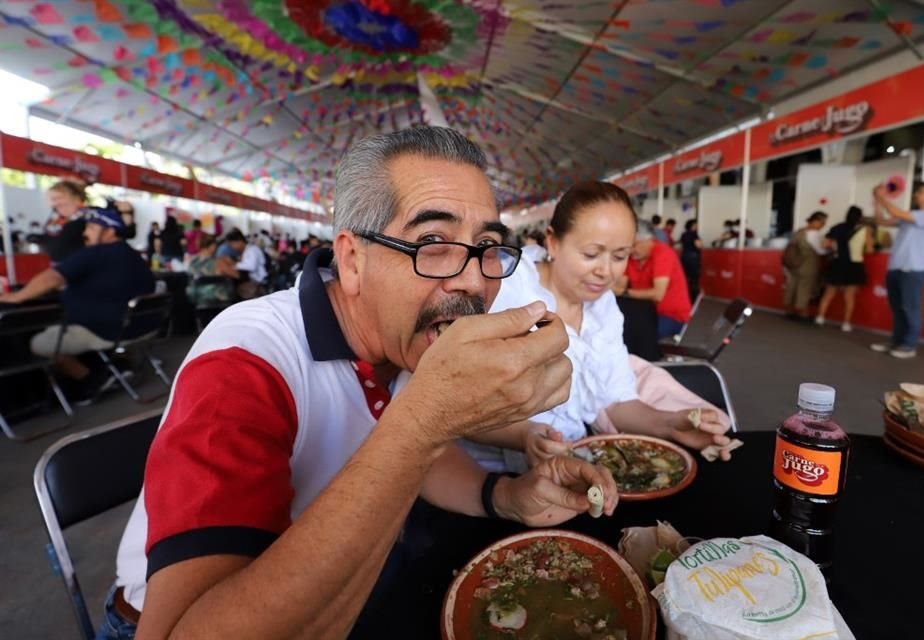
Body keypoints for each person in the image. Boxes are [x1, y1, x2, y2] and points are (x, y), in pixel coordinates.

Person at [102, 127, 617, 640]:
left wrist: (506, 494)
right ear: (351, 260)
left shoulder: (404, 338)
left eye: (485, 245)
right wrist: (423, 420)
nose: (475, 281)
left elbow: (423, 457)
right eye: (432, 243)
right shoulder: (245, 362)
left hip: (357, 584)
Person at [460, 181, 731, 473]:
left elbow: (615, 402)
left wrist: (670, 424)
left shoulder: (603, 307)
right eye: (591, 254)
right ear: (553, 242)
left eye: (619, 256)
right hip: (487, 476)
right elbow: (459, 405)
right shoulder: (504, 291)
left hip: (573, 463)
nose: (605, 272)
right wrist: (526, 434)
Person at [0, 207, 155, 403]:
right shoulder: (134, 256)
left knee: (33, 341)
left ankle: (90, 380)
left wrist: (18, 296)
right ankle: (115, 366)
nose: (85, 233)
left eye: (91, 227)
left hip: (104, 332)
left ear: (110, 231)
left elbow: (52, 278)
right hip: (138, 327)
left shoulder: (96, 254)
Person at [870, 178, 924, 359]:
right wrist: (877, 201)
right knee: (897, 308)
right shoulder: (911, 215)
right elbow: (881, 221)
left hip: (914, 269)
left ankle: (909, 345)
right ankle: (897, 341)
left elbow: (895, 210)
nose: (917, 194)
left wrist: (881, 197)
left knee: (910, 308)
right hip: (896, 267)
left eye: (921, 191)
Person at [616, 220, 692, 339]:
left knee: (631, 333)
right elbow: (619, 286)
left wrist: (623, 292)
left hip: (670, 316)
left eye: (634, 245)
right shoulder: (632, 257)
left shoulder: (663, 254)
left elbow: (657, 294)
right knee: (611, 327)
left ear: (649, 240)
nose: (630, 250)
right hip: (643, 311)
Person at [815, 206, 873, 332]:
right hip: (855, 265)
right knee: (849, 296)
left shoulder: (837, 227)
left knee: (829, 293)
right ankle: (846, 323)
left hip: (838, 263)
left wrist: (835, 246)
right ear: (860, 217)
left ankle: (820, 317)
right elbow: (870, 249)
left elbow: (824, 244)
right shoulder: (865, 230)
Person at [782, 211, 829, 321]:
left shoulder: (799, 232)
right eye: (822, 222)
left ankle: (789, 309)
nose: (823, 225)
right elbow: (821, 251)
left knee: (792, 286)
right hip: (808, 265)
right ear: (815, 221)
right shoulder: (815, 234)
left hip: (793, 264)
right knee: (805, 288)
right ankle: (803, 312)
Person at [41, 179, 89, 263]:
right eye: (52, 199)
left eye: (59, 198)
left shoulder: (89, 217)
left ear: (76, 198)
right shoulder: (55, 219)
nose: (55, 203)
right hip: (60, 268)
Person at [186, 233, 233, 309]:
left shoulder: (192, 262)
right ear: (212, 246)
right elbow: (237, 275)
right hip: (218, 300)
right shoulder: (218, 262)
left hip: (199, 300)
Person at [220, 229, 268, 297]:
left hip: (258, 282)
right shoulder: (246, 250)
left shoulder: (252, 250)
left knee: (235, 291)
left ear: (239, 241)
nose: (232, 248)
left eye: (232, 245)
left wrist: (234, 265)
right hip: (252, 280)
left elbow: (251, 266)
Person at [679, 219, 702, 302]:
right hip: (693, 258)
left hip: (684, 257)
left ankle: (684, 295)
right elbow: (699, 245)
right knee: (694, 278)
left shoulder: (683, 234)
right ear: (692, 225)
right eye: (696, 225)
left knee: (685, 277)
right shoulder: (694, 234)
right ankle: (693, 297)